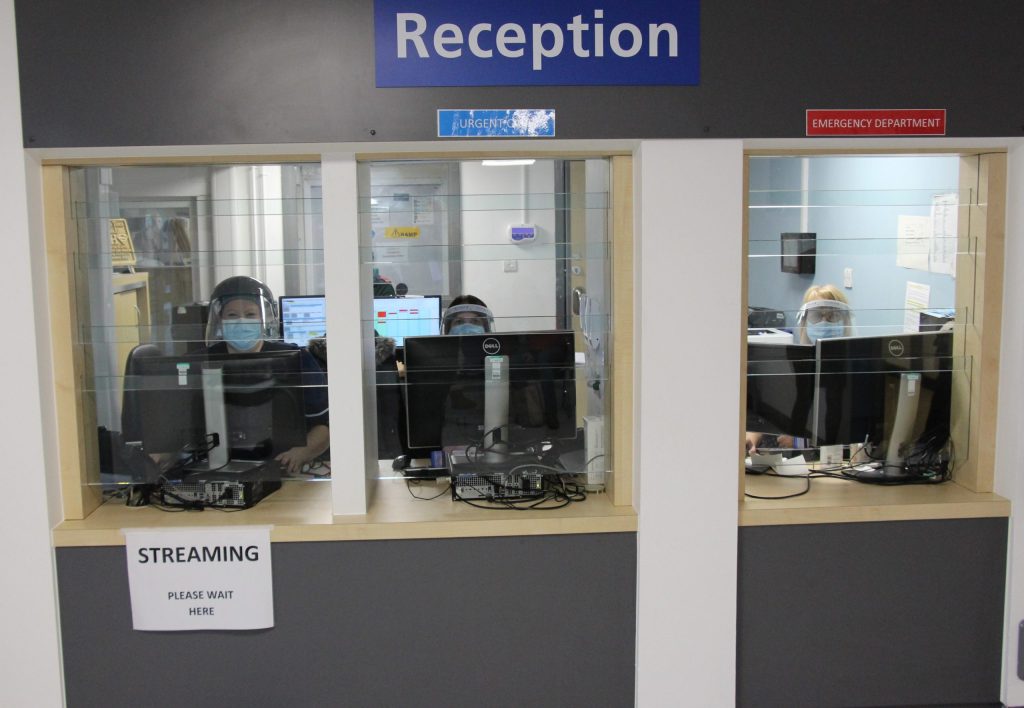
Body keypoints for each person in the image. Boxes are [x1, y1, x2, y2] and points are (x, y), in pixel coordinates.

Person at [204, 275, 329, 474]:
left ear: (264, 319)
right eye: (232, 315)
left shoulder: (296, 359)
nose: (241, 321)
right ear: (219, 320)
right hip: (214, 469)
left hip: (282, 470)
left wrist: (299, 454)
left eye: (250, 314)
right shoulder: (201, 362)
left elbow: (324, 427)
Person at [746, 283, 853, 454]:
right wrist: (754, 433)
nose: (824, 322)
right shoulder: (797, 363)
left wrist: (799, 442)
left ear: (845, 320)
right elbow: (779, 414)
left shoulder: (854, 368)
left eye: (832, 316)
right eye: (817, 316)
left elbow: (843, 433)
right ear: (804, 321)